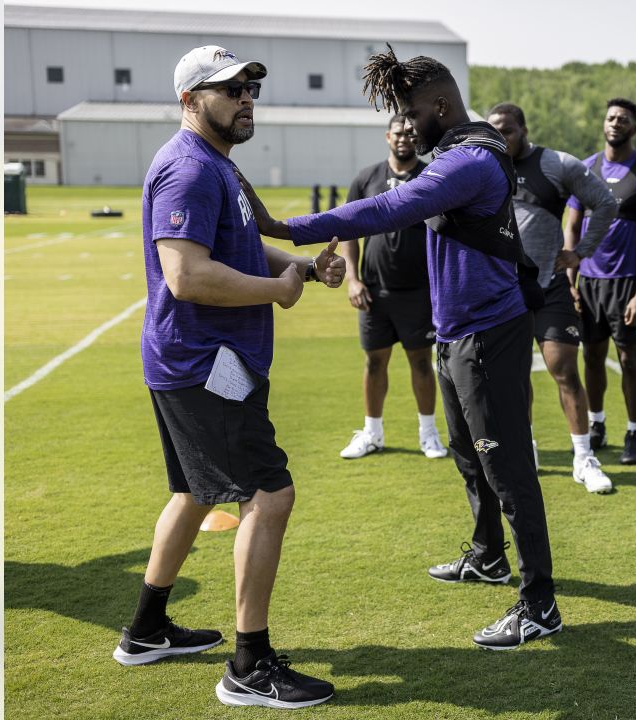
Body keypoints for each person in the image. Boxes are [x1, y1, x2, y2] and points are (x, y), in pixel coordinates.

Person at [241, 48, 562, 651]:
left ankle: (539, 602)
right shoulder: (452, 154)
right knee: (469, 454)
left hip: (488, 333)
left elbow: (391, 206)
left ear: (441, 104)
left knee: (508, 468)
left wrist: (286, 227)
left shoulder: (470, 159)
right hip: (456, 332)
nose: (406, 124)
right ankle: (489, 555)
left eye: (412, 112)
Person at [114, 45, 344, 709]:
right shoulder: (189, 168)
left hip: (199, 360)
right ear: (191, 99)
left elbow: (238, 248)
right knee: (269, 495)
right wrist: (276, 292)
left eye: (250, 89)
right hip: (204, 364)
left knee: (193, 490)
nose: (245, 100)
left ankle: (147, 628)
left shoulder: (220, 166)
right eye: (230, 90)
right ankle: (250, 664)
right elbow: (187, 275)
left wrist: (296, 270)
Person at [486, 103, 619, 493]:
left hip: (548, 286)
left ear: (524, 129)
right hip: (503, 291)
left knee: (563, 368)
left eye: (507, 130)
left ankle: (583, 457)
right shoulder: (484, 166)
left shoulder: (557, 164)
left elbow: (606, 202)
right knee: (513, 378)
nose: (501, 138)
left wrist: (581, 252)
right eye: (494, 131)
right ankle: (527, 452)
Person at [564, 98, 636, 464]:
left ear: (634, 128)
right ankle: (596, 425)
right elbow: (572, 228)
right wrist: (570, 281)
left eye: (623, 119)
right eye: (611, 117)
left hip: (626, 283)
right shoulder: (585, 168)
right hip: (588, 282)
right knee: (591, 357)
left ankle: (635, 432)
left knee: (629, 359)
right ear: (603, 123)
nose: (616, 123)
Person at [338, 114, 447, 461]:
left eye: (410, 133)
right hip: (374, 292)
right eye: (398, 132)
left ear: (418, 138)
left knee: (421, 364)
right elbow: (348, 231)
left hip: (419, 293)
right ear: (388, 136)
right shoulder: (366, 178)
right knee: (373, 363)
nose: (404, 138)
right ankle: (372, 433)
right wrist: (353, 279)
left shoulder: (432, 176)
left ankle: (428, 434)